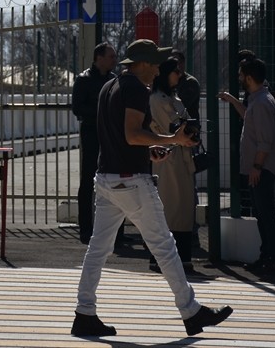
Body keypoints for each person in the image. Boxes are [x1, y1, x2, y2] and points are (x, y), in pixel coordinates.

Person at [72, 39, 232, 339]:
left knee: (98, 248)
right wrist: (174, 140)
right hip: (132, 181)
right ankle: (191, 311)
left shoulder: (110, 86)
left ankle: (84, 313)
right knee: (164, 246)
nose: (158, 69)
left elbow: (119, 138)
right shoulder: (135, 88)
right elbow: (133, 135)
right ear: (143, 63)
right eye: (155, 64)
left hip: (107, 178)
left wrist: (149, 150)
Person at [220, 56, 275, 274]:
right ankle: (267, 257)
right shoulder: (258, 99)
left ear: (248, 78)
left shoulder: (262, 102)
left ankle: (273, 259)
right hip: (258, 168)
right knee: (262, 215)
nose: (239, 78)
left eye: (240, 75)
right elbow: (250, 117)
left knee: (266, 215)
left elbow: (265, 141)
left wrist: (257, 166)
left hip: (261, 169)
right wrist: (233, 100)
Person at [147, 57, 198, 274]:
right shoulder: (157, 99)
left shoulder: (173, 98)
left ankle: (182, 257)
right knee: (168, 208)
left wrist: (191, 133)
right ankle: (162, 259)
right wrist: (186, 132)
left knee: (183, 208)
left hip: (181, 157)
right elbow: (173, 127)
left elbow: (186, 125)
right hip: (167, 158)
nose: (179, 74)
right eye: (175, 71)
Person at [71, 43, 116, 243]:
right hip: (91, 133)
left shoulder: (113, 79)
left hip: (110, 134)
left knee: (114, 179)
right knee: (88, 180)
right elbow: (77, 108)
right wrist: (101, 112)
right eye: (110, 56)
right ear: (99, 58)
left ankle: (115, 231)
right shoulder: (84, 80)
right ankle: (86, 228)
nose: (114, 60)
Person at [170, 49, 200, 122]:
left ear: (183, 63)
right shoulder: (168, 80)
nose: (175, 66)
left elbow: (180, 106)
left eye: (177, 62)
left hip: (188, 125)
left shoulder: (191, 82)